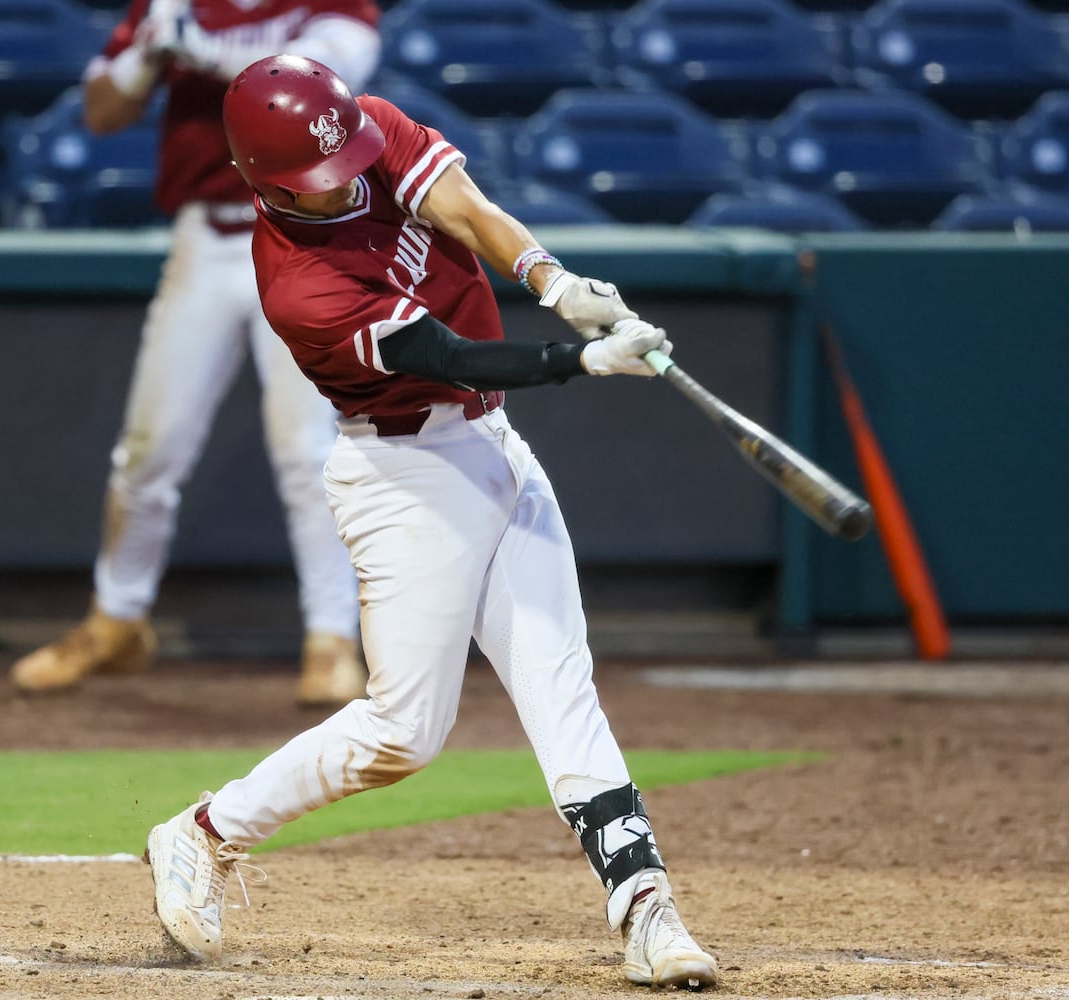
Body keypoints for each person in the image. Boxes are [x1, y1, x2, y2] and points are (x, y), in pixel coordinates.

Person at [142, 55, 720, 990]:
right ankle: (205, 833)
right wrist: (580, 361)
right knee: (406, 733)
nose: (344, 183)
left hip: (492, 442)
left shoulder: (360, 128)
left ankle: (647, 908)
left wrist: (555, 281)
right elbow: (447, 354)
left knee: (560, 682)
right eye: (319, 180)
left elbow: (466, 211)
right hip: (404, 476)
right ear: (265, 181)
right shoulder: (302, 288)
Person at [9, 0, 383, 708]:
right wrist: (147, 52)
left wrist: (202, 51)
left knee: (307, 450)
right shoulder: (176, 4)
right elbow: (101, 111)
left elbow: (328, 84)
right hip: (206, 236)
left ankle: (332, 638)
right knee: (149, 448)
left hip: (306, 236)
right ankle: (116, 620)